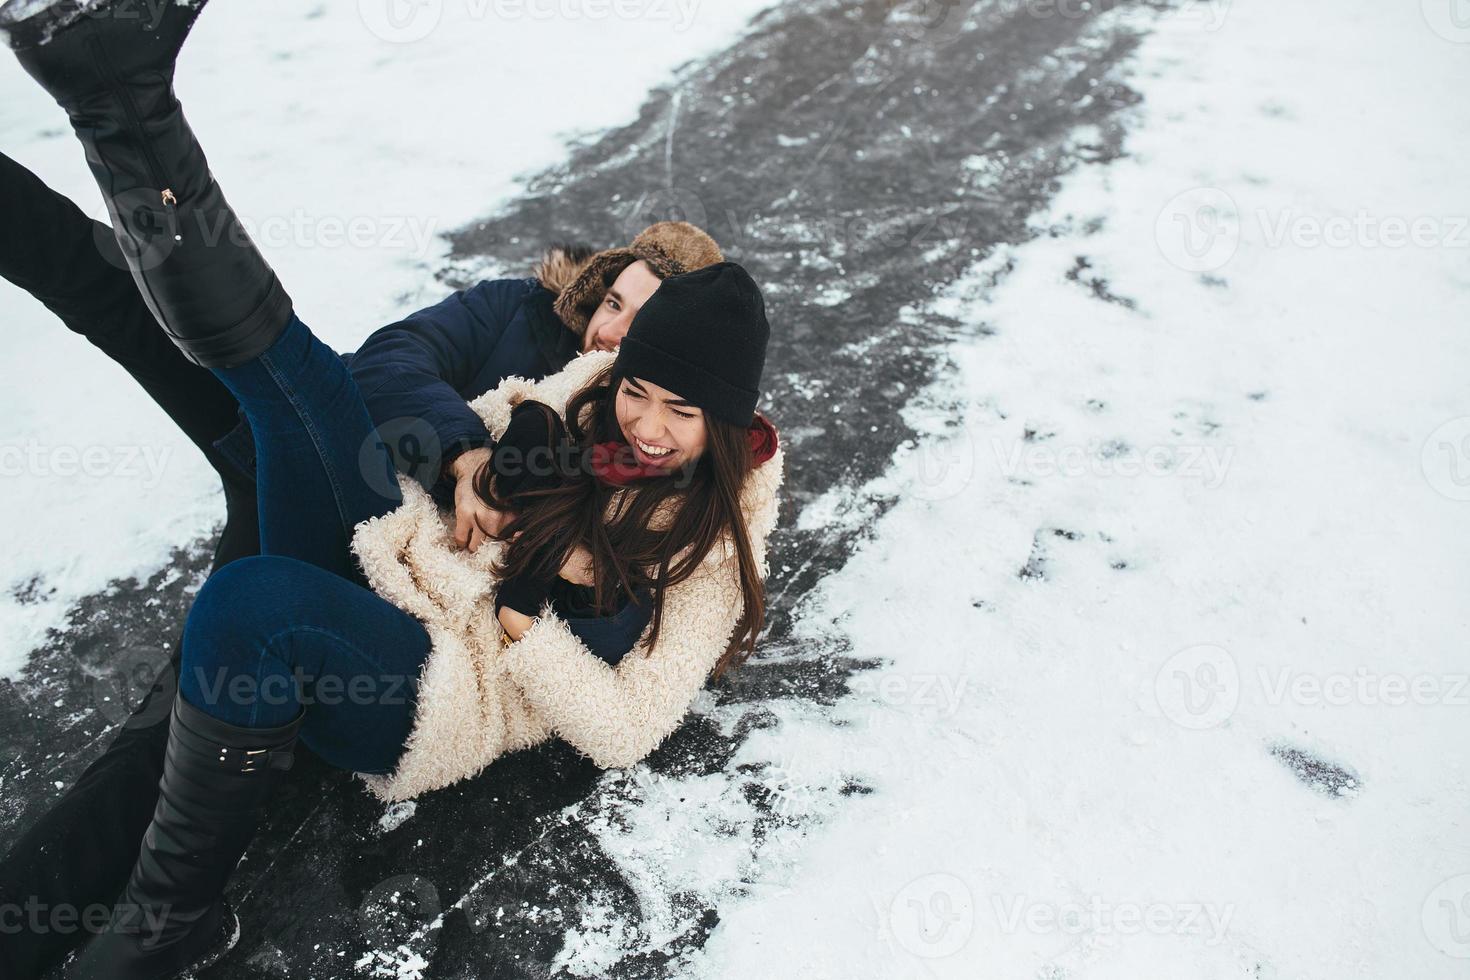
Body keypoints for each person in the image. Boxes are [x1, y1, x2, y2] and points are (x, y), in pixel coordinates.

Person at [1, 2, 784, 979]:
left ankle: (147, 919)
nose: (639, 406)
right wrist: (471, 456)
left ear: (721, 413)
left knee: (225, 639)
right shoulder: (539, 335)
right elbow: (419, 381)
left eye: (674, 398)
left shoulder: (709, 527)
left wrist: (526, 618)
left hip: (435, 663)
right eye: (625, 346)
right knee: (277, 364)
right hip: (379, 520)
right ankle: (121, 97)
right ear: (607, 274)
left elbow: (624, 717)